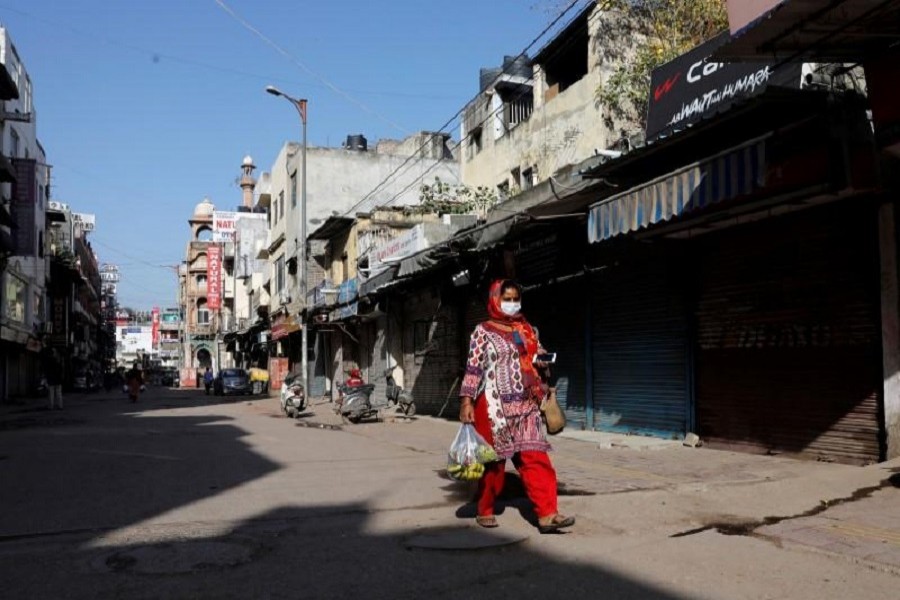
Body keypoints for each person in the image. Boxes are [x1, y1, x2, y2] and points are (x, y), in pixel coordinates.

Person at [459, 279, 575, 533]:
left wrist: (542, 361)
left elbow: (538, 353)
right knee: (494, 466)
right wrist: (466, 400)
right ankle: (485, 508)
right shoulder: (482, 331)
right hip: (494, 409)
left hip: (526, 406)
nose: (512, 304)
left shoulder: (526, 329)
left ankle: (547, 513)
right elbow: (473, 368)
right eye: (506, 299)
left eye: (515, 299)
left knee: (537, 459)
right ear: (495, 300)